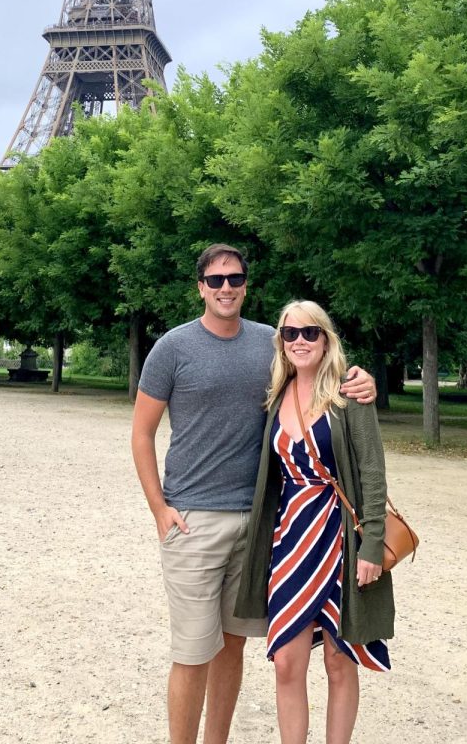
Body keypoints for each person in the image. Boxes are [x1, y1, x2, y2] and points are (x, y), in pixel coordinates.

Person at [131, 245, 377, 744]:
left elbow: (318, 364)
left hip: (263, 523)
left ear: (246, 284)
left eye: (235, 278)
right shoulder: (172, 348)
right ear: (200, 286)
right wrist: (160, 509)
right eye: (215, 279)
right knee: (192, 651)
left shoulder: (273, 342)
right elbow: (141, 433)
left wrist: (361, 379)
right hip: (194, 519)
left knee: (232, 648)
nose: (226, 287)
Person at [234, 300, 394, 744]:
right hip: (290, 538)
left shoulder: (349, 394)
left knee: (340, 661)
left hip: (340, 537)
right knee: (287, 660)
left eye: (310, 333)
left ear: (325, 339)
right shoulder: (274, 395)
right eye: (290, 333)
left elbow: (373, 473)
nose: (300, 341)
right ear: (281, 342)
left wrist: (372, 546)